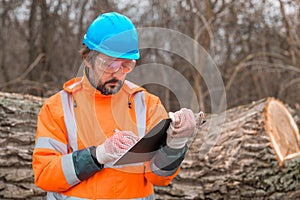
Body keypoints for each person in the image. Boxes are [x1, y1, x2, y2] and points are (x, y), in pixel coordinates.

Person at [32, 12, 202, 199]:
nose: (117, 74)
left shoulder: (147, 105)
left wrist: (176, 144)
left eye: (126, 65)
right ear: (87, 59)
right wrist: (97, 156)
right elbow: (45, 175)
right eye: (109, 64)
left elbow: (160, 178)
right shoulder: (57, 107)